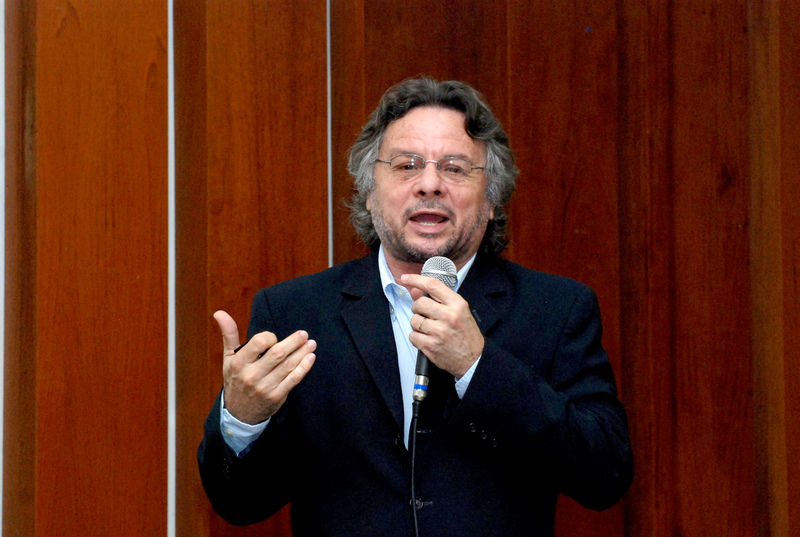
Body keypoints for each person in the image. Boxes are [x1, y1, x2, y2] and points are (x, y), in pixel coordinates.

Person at [198, 77, 633, 536]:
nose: (429, 184)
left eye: (455, 168)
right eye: (406, 165)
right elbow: (240, 504)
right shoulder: (296, 312)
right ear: (369, 191)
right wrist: (242, 418)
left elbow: (605, 473)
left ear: (491, 200)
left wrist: (477, 366)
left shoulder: (556, 310)